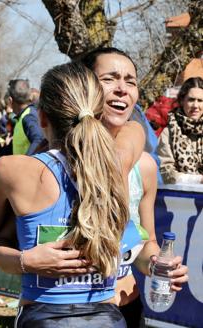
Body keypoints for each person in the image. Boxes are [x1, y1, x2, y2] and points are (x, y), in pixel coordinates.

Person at [0, 62, 146, 327]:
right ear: (98, 114)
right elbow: (135, 128)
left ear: (42, 117)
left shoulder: (12, 169)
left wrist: (27, 261)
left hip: (42, 316)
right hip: (107, 318)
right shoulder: (116, 165)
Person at [80, 47, 188, 327]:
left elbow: (144, 242)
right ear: (84, 86)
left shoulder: (145, 167)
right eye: (110, 79)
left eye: (130, 81)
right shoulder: (60, 159)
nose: (121, 89)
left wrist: (157, 265)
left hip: (125, 308)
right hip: (66, 312)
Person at [158, 77, 203, 184]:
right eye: (191, 100)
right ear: (182, 101)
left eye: (200, 100)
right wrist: (198, 180)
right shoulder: (168, 132)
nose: (195, 106)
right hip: (182, 197)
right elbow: (166, 172)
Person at [8, 78, 44, 155]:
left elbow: (39, 139)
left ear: (10, 100)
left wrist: (26, 162)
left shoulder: (28, 116)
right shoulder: (23, 116)